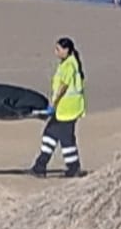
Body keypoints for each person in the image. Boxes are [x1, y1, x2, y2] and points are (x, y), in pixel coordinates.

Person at [31, 37, 86, 178]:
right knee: (50, 134)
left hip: (67, 110)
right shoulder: (67, 63)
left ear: (66, 50)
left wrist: (54, 103)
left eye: (58, 49)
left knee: (66, 140)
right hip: (63, 110)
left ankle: (73, 168)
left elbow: (64, 86)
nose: (56, 52)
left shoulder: (69, 65)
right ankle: (40, 165)